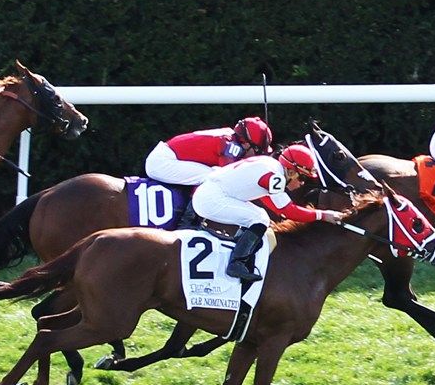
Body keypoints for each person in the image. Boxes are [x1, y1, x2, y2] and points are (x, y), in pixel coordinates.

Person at [192, 144, 345, 282]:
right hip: (211, 199)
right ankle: (236, 264)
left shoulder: (271, 166)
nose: (302, 183)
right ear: (291, 171)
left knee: (260, 217)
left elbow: (269, 200)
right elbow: (288, 211)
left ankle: (239, 254)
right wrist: (323, 215)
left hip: (209, 194)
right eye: (302, 177)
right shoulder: (275, 176)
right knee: (259, 218)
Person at [144, 116, 273, 186]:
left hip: (167, 157)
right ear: (245, 143)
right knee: (214, 178)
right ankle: (190, 219)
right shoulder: (229, 145)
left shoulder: (231, 137)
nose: (257, 155)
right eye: (257, 150)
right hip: (162, 162)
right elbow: (229, 176)